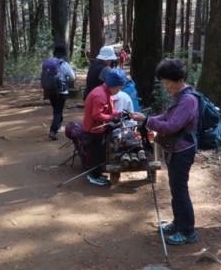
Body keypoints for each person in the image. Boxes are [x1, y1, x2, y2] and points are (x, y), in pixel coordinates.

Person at [129, 59, 199, 245]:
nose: (166, 86)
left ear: (180, 79)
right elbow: (168, 117)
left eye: (168, 82)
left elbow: (171, 126)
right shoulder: (180, 96)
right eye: (164, 82)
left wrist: (147, 121)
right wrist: (146, 118)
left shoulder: (188, 100)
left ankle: (188, 231)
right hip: (175, 149)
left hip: (182, 151)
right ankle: (179, 223)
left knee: (180, 190)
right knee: (176, 189)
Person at [82, 68, 126, 186]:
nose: (119, 90)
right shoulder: (101, 95)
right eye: (119, 88)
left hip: (100, 127)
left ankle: (98, 172)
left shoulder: (106, 92)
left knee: (101, 152)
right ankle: (93, 175)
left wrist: (119, 114)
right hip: (94, 129)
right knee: (97, 154)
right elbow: (96, 115)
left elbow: (109, 110)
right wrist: (112, 118)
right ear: (113, 85)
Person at [46, 44, 76, 140]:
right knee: (58, 111)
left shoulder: (48, 63)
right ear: (63, 54)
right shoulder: (64, 64)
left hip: (49, 90)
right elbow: (73, 77)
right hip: (61, 92)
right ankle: (53, 131)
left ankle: (58, 125)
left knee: (56, 109)